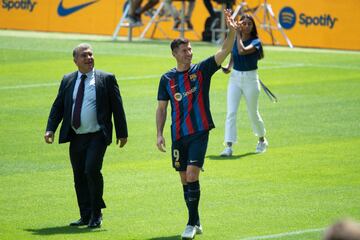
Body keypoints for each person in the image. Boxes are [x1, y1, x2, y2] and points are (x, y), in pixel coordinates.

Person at [156, 9, 237, 239]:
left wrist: (231, 31)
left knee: (192, 175)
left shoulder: (201, 71)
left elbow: (224, 51)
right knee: (184, 179)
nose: (189, 53)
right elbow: (162, 108)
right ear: (174, 53)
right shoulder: (167, 79)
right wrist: (159, 134)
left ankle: (190, 224)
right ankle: (196, 219)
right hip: (178, 135)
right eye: (184, 50)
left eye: (190, 49)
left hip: (199, 132)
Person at [44, 43, 128, 228]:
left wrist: (122, 133)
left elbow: (117, 108)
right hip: (76, 136)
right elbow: (58, 106)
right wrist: (50, 128)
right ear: (75, 61)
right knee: (79, 176)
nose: (89, 58)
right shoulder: (67, 80)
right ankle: (85, 215)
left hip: (98, 135)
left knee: (91, 170)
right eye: (84, 55)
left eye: (91, 54)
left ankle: (96, 214)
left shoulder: (106, 79)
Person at [220, 14, 267, 157]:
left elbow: (242, 50)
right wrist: (228, 66)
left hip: (251, 79)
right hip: (235, 78)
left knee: (253, 113)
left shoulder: (256, 42)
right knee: (231, 112)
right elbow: (234, 54)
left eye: (249, 24)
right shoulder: (236, 39)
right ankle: (228, 146)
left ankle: (262, 139)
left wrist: (238, 34)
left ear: (253, 27)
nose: (246, 26)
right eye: (244, 23)